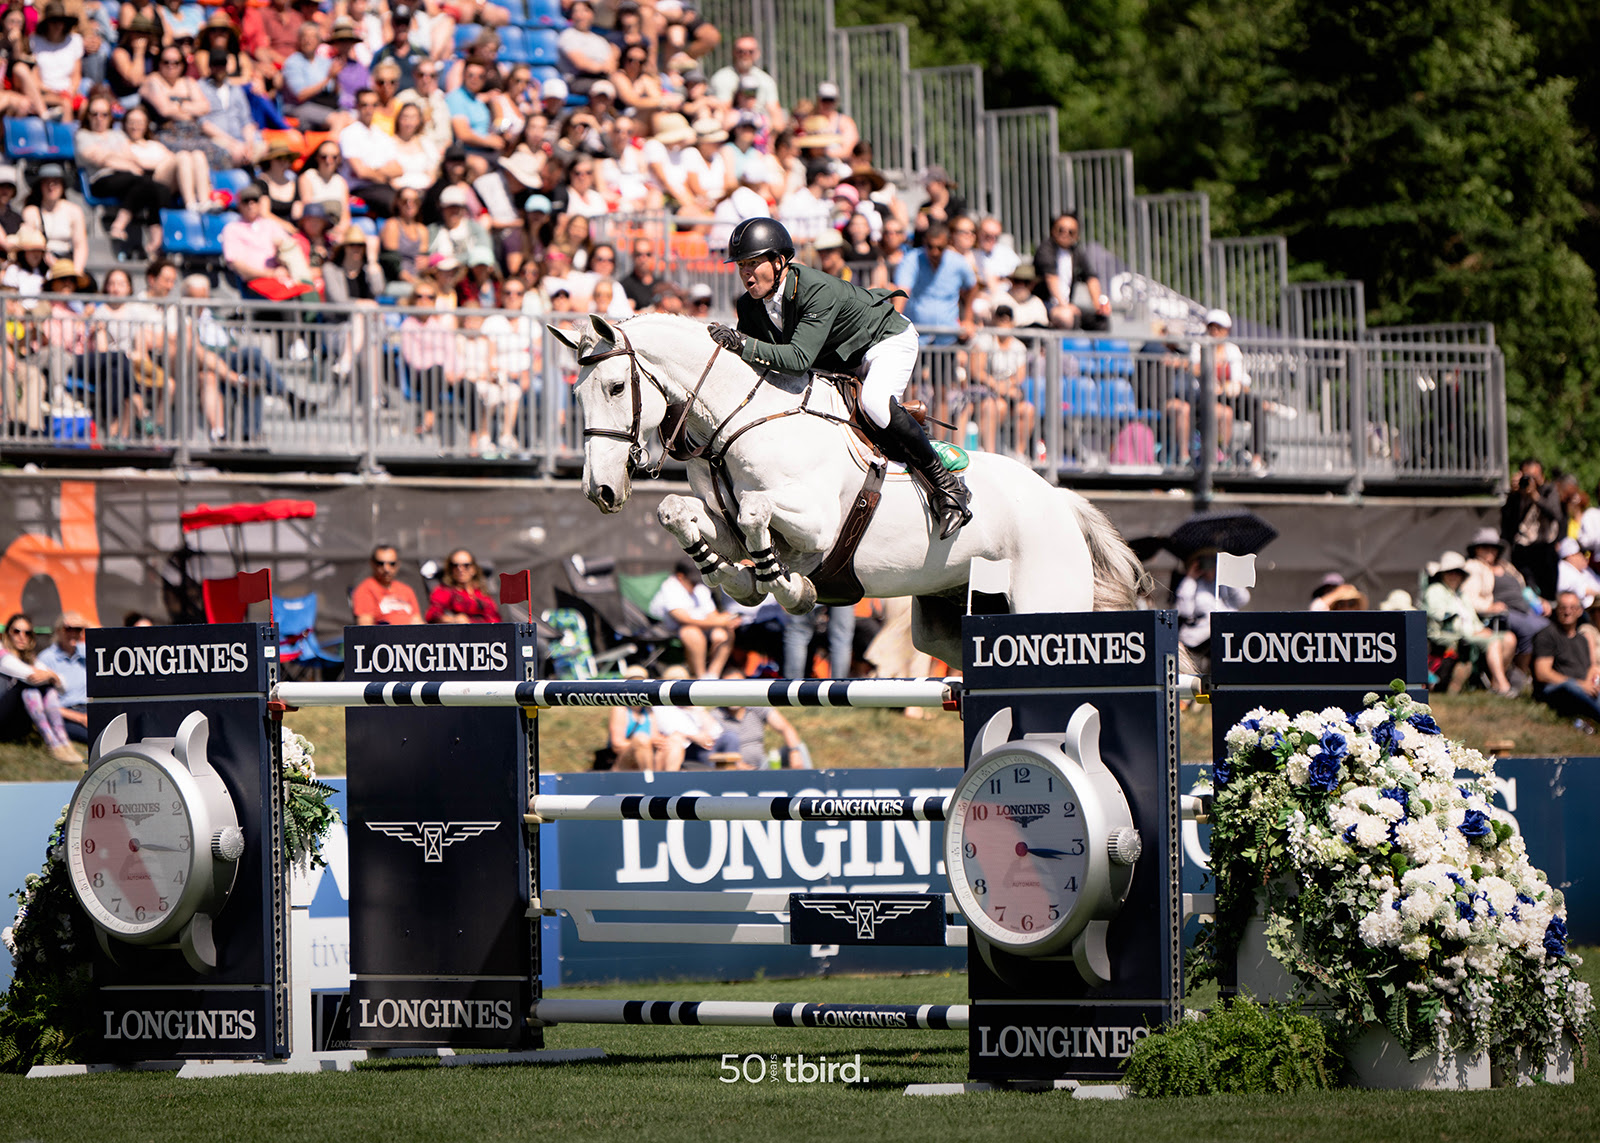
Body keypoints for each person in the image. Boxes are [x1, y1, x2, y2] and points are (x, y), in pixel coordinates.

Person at [711, 216, 972, 538]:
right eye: (741, 266)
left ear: (779, 262)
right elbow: (756, 365)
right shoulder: (749, 306)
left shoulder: (815, 289)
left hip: (883, 340)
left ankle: (948, 486)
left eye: (753, 263)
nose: (746, 274)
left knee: (875, 403)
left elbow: (797, 359)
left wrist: (742, 344)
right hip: (839, 357)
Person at [1424, 550, 1517, 695]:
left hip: (1473, 632)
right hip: (1453, 635)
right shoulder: (1435, 591)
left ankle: (1494, 681)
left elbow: (1473, 618)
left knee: (1510, 639)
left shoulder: (1461, 595)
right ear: (1442, 574)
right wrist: (1475, 631)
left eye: (1457, 572)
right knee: (1493, 642)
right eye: (1450, 572)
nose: (1454, 576)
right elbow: (1441, 617)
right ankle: (1503, 686)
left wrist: (1481, 629)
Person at [1462, 525, 1548, 679]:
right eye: (1485, 547)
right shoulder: (1473, 567)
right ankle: (1520, 675)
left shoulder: (1506, 566)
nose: (1490, 551)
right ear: (1476, 549)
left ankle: (1539, 674)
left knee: (1547, 628)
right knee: (1528, 629)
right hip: (1502, 613)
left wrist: (1540, 601)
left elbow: (1524, 590)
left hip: (1525, 608)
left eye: (1493, 547)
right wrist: (1489, 607)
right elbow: (1468, 598)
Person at [0, 612, 80, 762]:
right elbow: (27, 675)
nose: (21, 636)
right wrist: (50, 676)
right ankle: (52, 742)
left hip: (19, 726)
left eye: (27, 632)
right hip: (2, 717)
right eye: (16, 631)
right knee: (28, 686)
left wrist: (52, 676)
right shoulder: (2, 652)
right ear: (8, 633)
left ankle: (61, 740)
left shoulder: (31, 658)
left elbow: (64, 686)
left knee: (47, 687)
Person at [647, 559, 741, 678]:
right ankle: (700, 676)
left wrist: (728, 620)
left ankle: (712, 676)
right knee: (690, 632)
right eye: (692, 580)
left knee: (724, 633)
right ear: (680, 576)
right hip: (671, 632)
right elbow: (683, 619)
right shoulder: (669, 587)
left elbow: (713, 615)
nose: (696, 583)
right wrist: (720, 621)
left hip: (701, 629)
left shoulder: (700, 588)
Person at [711, 665, 805, 768]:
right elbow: (713, 754)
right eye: (728, 688)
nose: (732, 693)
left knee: (800, 748)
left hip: (762, 766)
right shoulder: (715, 716)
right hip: (733, 772)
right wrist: (739, 766)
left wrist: (794, 752)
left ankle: (810, 781)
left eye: (737, 687)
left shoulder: (755, 706)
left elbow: (786, 728)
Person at [1032, 211, 1109, 331]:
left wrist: (1098, 305)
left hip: (1066, 306)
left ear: (1077, 235)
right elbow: (1051, 278)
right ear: (1053, 230)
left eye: (1071, 232)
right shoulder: (1045, 249)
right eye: (1061, 230)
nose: (1065, 234)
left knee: (1100, 321)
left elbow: (1091, 278)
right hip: (1044, 304)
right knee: (1067, 317)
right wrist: (1065, 305)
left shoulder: (1076, 252)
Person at [1531, 591, 1600, 724]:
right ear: (1557, 609)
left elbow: (1591, 667)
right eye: (1563, 607)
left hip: (1582, 688)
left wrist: (1591, 684)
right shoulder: (1547, 635)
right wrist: (1581, 685)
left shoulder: (1582, 639)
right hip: (1556, 688)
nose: (1567, 612)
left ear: (1580, 611)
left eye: (1572, 608)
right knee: (1570, 686)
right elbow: (1542, 673)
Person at [1501, 458, 1561, 602]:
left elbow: (1555, 514)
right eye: (1527, 477)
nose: (1530, 481)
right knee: (1527, 589)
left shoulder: (1548, 490)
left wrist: (1535, 496)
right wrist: (1512, 493)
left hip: (1545, 549)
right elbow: (1507, 520)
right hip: (1523, 550)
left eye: (1534, 477)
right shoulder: (1517, 495)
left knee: (1548, 591)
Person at [35, 610, 88, 743]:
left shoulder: (87, 652)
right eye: (68, 629)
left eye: (78, 629)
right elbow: (43, 704)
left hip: (89, 710)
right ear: (58, 630)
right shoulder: (46, 659)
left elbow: (109, 641)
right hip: (64, 715)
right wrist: (80, 718)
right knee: (92, 737)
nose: (73, 633)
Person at [353, 544, 423, 624]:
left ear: (398, 565)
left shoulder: (406, 590)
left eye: (392, 564)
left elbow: (418, 621)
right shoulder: (365, 589)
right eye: (380, 563)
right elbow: (365, 627)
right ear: (372, 564)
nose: (386, 569)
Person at [425, 549, 500, 623]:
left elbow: (494, 619)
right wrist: (452, 619)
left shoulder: (482, 594)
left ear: (473, 569)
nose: (460, 569)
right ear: (450, 569)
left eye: (466, 565)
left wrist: (471, 622)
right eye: (455, 565)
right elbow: (432, 615)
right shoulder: (444, 591)